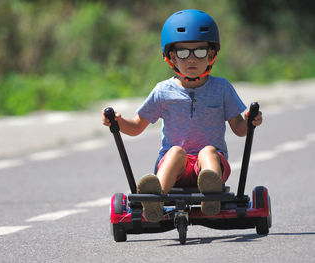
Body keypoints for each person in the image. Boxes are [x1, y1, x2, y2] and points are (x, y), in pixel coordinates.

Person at [102, 9, 262, 222]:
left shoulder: (222, 88)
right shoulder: (163, 91)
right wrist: (118, 122)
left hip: (211, 165)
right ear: (171, 57)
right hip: (175, 168)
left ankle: (211, 195)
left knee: (208, 151)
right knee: (176, 151)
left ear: (212, 55)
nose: (192, 59)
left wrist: (251, 121)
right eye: (184, 53)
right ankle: (155, 199)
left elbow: (239, 129)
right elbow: (137, 126)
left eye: (200, 52)